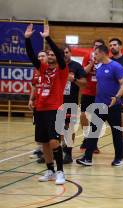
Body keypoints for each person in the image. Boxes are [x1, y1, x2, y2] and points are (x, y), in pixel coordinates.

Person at [25, 23, 68, 184]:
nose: (50, 56)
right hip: (40, 108)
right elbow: (30, 55)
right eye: (47, 54)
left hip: (54, 110)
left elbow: (58, 54)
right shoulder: (43, 69)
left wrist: (48, 38)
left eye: (52, 54)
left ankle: (60, 172)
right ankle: (49, 170)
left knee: (54, 141)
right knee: (44, 142)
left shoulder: (62, 70)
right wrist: (27, 39)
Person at [76, 45, 123, 166]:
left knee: (116, 132)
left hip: (113, 106)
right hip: (99, 105)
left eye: (96, 54)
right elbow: (99, 85)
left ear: (103, 53)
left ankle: (119, 158)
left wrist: (118, 98)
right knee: (94, 131)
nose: (94, 56)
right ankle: (87, 158)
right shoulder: (99, 67)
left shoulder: (116, 67)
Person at [61, 46, 87, 164]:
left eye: (67, 52)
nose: (65, 54)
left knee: (69, 127)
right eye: (63, 53)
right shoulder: (56, 65)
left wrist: (74, 79)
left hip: (70, 102)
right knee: (57, 127)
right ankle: (60, 149)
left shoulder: (76, 66)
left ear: (70, 53)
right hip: (56, 102)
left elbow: (84, 83)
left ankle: (68, 152)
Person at [80, 39, 105, 154]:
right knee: (83, 115)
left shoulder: (105, 59)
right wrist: (92, 63)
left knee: (96, 119)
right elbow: (83, 72)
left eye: (99, 47)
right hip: (87, 91)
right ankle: (86, 137)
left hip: (100, 92)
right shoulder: (87, 56)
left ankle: (93, 143)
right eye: (95, 46)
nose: (97, 48)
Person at [30, 50, 48, 164]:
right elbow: (34, 86)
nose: (40, 58)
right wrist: (31, 99)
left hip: (47, 104)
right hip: (37, 103)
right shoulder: (36, 70)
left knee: (47, 128)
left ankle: (46, 151)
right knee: (38, 126)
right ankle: (40, 149)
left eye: (43, 56)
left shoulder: (49, 69)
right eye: (39, 56)